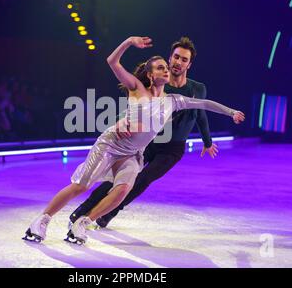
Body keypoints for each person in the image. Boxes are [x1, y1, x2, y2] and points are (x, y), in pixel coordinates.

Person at [22, 36, 245, 245]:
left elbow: (205, 105)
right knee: (82, 185)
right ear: (150, 75)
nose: (167, 70)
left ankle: (84, 222)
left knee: (123, 189)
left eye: (167, 68)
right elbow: (112, 61)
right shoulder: (136, 88)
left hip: (133, 153)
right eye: (161, 67)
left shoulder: (174, 101)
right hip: (112, 145)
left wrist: (231, 111)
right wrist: (129, 41)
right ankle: (41, 221)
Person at [69, 36, 220, 229]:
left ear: (189, 64)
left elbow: (201, 114)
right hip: (147, 141)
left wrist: (207, 142)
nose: (178, 62)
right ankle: (84, 209)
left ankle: (106, 214)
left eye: (184, 59)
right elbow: (133, 106)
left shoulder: (198, 89)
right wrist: (120, 122)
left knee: (142, 180)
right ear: (170, 57)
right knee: (117, 177)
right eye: (176, 57)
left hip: (172, 148)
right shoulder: (157, 81)